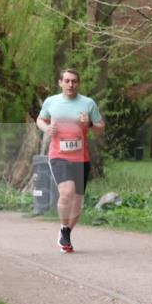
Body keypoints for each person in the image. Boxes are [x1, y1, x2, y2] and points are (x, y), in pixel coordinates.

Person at [36, 69, 104, 252]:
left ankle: (66, 232)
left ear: (78, 84)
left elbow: (100, 128)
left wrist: (89, 124)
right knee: (67, 192)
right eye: (66, 81)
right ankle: (64, 229)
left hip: (81, 158)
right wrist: (46, 128)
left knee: (78, 201)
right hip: (59, 155)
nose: (70, 85)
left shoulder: (88, 103)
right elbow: (40, 119)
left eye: (74, 81)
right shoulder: (51, 102)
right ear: (60, 83)